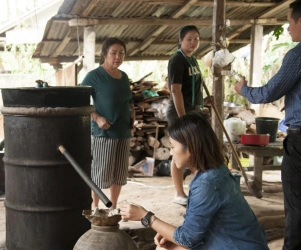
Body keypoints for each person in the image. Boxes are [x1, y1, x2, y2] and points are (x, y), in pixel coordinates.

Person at [120, 111, 269, 250]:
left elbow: (187, 239)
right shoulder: (216, 171)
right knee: (169, 246)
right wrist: (168, 232)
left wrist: (146, 217)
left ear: (190, 148)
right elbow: (194, 228)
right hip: (243, 244)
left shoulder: (206, 184)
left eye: (173, 147)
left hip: (236, 246)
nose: (171, 152)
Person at [234, 1, 301, 249]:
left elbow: (267, 93)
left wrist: (243, 89)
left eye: (289, 22)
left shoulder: (297, 54)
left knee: (296, 206)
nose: (287, 29)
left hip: (300, 141)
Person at [80, 37, 135, 209]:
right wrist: (97, 117)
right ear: (104, 54)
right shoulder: (94, 76)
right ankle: (95, 208)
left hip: (123, 131)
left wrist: (133, 115)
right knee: (99, 174)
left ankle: (112, 208)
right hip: (103, 133)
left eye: (121, 53)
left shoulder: (124, 77)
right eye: (113, 53)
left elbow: (129, 100)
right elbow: (80, 101)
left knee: (118, 174)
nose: (117, 57)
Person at [166, 25, 204, 205]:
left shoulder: (192, 60)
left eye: (196, 39)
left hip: (192, 111)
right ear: (180, 40)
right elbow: (175, 90)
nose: (193, 42)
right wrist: (182, 118)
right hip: (179, 112)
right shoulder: (177, 60)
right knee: (179, 151)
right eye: (189, 39)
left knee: (195, 150)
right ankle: (179, 193)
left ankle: (197, 190)